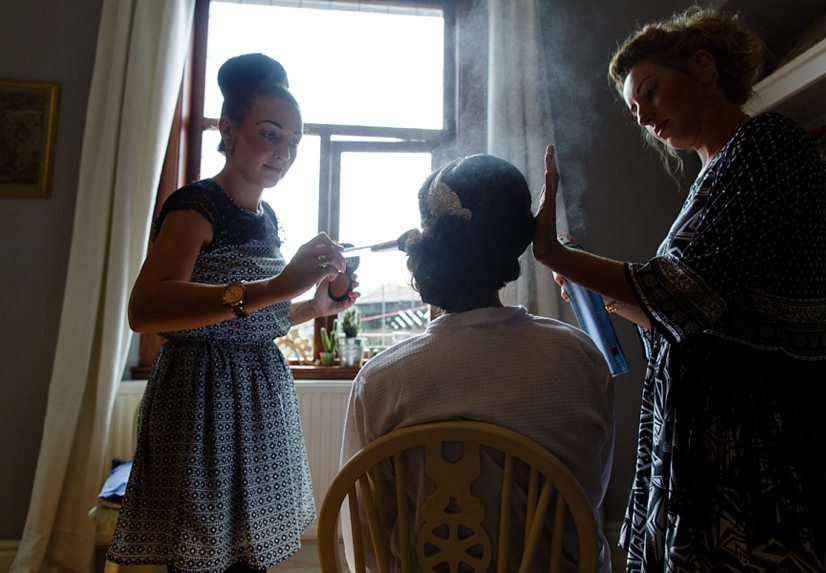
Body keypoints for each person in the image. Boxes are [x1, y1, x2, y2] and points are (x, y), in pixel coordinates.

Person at [533, 7, 826, 573]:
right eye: (634, 109)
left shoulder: (766, 146)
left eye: (650, 92)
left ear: (704, 66)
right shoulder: (712, 175)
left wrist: (564, 257)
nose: (644, 116)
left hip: (756, 441)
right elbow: (685, 318)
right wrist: (588, 287)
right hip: (703, 440)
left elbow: (686, 292)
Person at [107, 53, 357, 572]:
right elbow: (145, 310)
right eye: (270, 134)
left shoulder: (267, 217)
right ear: (229, 129)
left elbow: (249, 322)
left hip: (259, 400)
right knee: (200, 553)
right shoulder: (195, 208)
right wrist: (275, 285)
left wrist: (312, 305)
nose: (284, 152)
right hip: (202, 403)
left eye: (293, 141)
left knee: (249, 557)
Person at [340, 154, 616, 572]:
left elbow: (364, 536)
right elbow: (588, 498)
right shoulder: (581, 359)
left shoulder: (380, 381)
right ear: (519, 241)